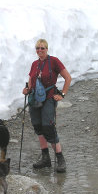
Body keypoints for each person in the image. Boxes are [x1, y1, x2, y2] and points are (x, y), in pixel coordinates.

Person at [22, 39, 72, 172]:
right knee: (38, 126)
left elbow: (68, 77)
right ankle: (45, 158)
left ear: (47, 49)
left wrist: (63, 94)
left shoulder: (54, 61)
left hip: (49, 98)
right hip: (34, 99)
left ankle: (60, 158)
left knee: (48, 126)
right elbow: (31, 80)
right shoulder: (34, 64)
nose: (39, 50)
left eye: (42, 48)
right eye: (37, 48)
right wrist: (27, 89)